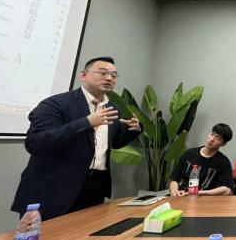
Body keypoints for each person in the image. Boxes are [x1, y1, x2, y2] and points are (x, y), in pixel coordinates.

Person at [11, 57, 141, 220]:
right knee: (49, 236)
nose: (109, 78)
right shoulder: (55, 104)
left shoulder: (112, 108)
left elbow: (112, 143)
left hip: (94, 188)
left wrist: (132, 130)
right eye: (103, 73)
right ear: (83, 75)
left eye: (114, 75)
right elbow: (35, 143)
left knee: (87, 235)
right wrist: (87, 122)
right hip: (54, 189)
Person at [169, 123, 234, 196]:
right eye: (212, 134)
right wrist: (174, 190)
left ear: (223, 144)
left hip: (204, 198)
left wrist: (201, 193)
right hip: (181, 195)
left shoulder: (223, 162)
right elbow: (174, 179)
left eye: (218, 138)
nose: (211, 139)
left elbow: (227, 189)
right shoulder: (189, 153)